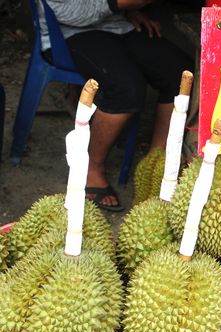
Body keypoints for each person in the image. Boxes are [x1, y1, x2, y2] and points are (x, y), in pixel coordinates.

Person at [41, 0, 193, 211]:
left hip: (116, 24)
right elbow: (68, 12)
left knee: (181, 74)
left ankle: (156, 160)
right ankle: (90, 168)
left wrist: (129, 10)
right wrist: (120, 5)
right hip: (68, 33)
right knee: (126, 88)